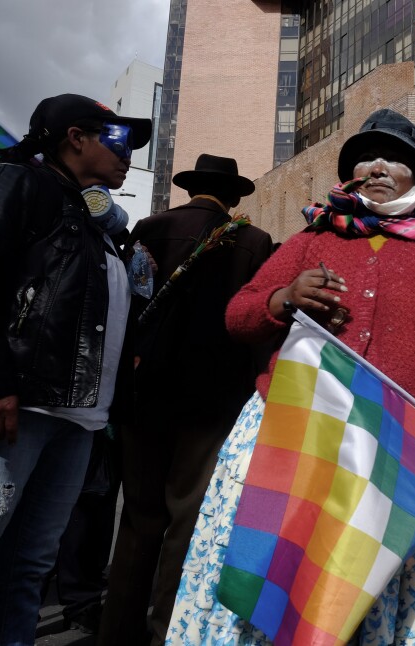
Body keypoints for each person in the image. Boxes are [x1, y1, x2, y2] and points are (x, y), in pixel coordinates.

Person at [165, 108, 415, 644]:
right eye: (367, 156)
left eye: (397, 159)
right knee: (290, 572)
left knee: (385, 574)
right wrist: (283, 297)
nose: (379, 166)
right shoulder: (311, 240)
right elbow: (239, 316)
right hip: (304, 437)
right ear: (350, 174)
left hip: (411, 449)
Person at [0, 93, 151, 643]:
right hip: (10, 409)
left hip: (74, 421)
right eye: (117, 138)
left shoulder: (93, 223)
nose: (128, 152)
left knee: (26, 570)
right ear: (74, 137)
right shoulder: (14, 183)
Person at [99, 154, 273, 645]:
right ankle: (167, 631)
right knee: (187, 519)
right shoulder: (253, 241)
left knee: (138, 519)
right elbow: (255, 325)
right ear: (233, 196)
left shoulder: (149, 227)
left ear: (193, 188)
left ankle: (117, 633)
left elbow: (127, 301)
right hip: (212, 401)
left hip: (142, 393)